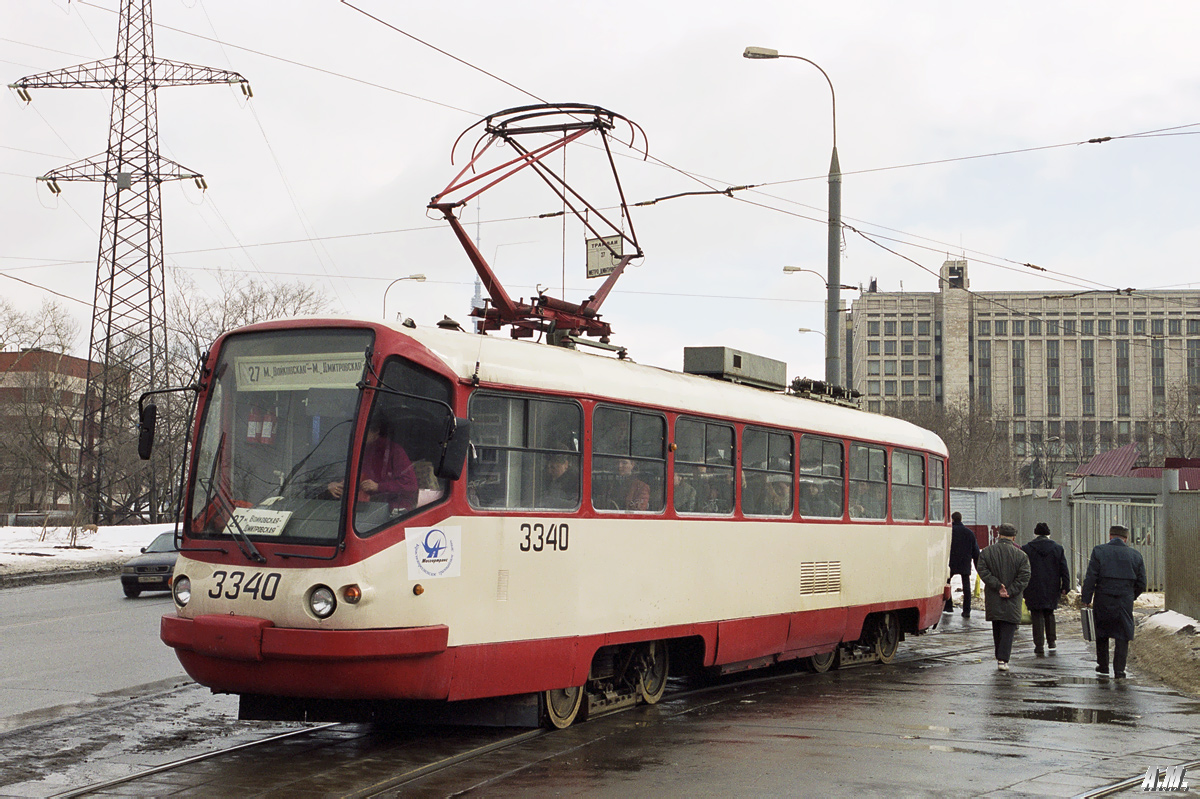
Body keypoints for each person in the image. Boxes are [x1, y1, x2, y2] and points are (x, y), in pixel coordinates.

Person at [1082, 524, 1147, 679]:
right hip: (1124, 600)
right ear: (1126, 539)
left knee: (1102, 631)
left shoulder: (1099, 551)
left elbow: (1091, 577)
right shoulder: (1135, 555)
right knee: (1122, 634)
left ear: (1110, 536)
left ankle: (1103, 666)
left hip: (1103, 597)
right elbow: (1142, 583)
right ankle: (1119, 670)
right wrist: (1131, 595)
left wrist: (1086, 598)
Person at [328, 417, 417, 510]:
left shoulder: (394, 451)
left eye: (362, 431)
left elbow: (410, 485)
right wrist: (335, 485)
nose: (357, 436)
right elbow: (349, 476)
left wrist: (379, 487)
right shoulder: (356, 450)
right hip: (359, 507)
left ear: (376, 432)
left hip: (391, 509)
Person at [976, 523, 1031, 671]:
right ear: (1014, 537)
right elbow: (1024, 577)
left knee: (997, 626)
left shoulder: (987, 552)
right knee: (1009, 627)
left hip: (994, 596)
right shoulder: (1021, 555)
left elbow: (982, 570)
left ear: (998, 535)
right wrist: (1010, 590)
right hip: (1012, 599)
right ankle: (1003, 659)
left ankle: (999, 656)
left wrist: (997, 585)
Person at [1021, 521, 1071, 655]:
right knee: (1049, 612)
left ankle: (1039, 645)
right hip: (1052, 587)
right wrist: (1066, 586)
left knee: (1036, 614)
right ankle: (1051, 641)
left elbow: (1022, 569)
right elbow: (1064, 570)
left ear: (1035, 533)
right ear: (1049, 534)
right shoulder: (1058, 548)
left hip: (1033, 586)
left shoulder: (1026, 548)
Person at [947, 511, 981, 618]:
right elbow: (975, 551)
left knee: (947, 583)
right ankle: (966, 610)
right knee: (966, 586)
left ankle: (948, 606)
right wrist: (977, 565)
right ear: (961, 519)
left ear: (952, 519)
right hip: (965, 563)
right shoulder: (969, 533)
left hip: (950, 562)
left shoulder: (948, 532)